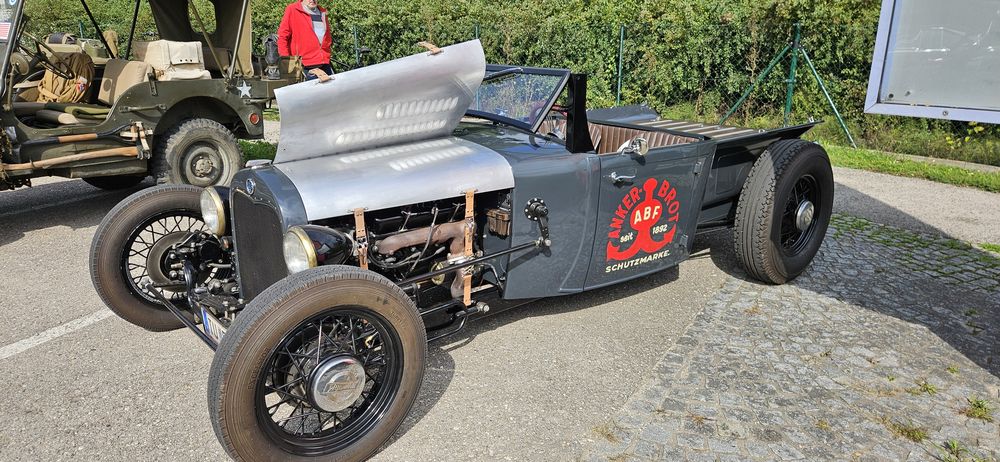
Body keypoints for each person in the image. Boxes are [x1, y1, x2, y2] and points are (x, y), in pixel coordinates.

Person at [277, 0, 333, 80]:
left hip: (324, 63)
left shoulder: (322, 12)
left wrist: (327, 54)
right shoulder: (293, 9)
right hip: (303, 65)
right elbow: (282, 37)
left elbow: (326, 37)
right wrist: (287, 62)